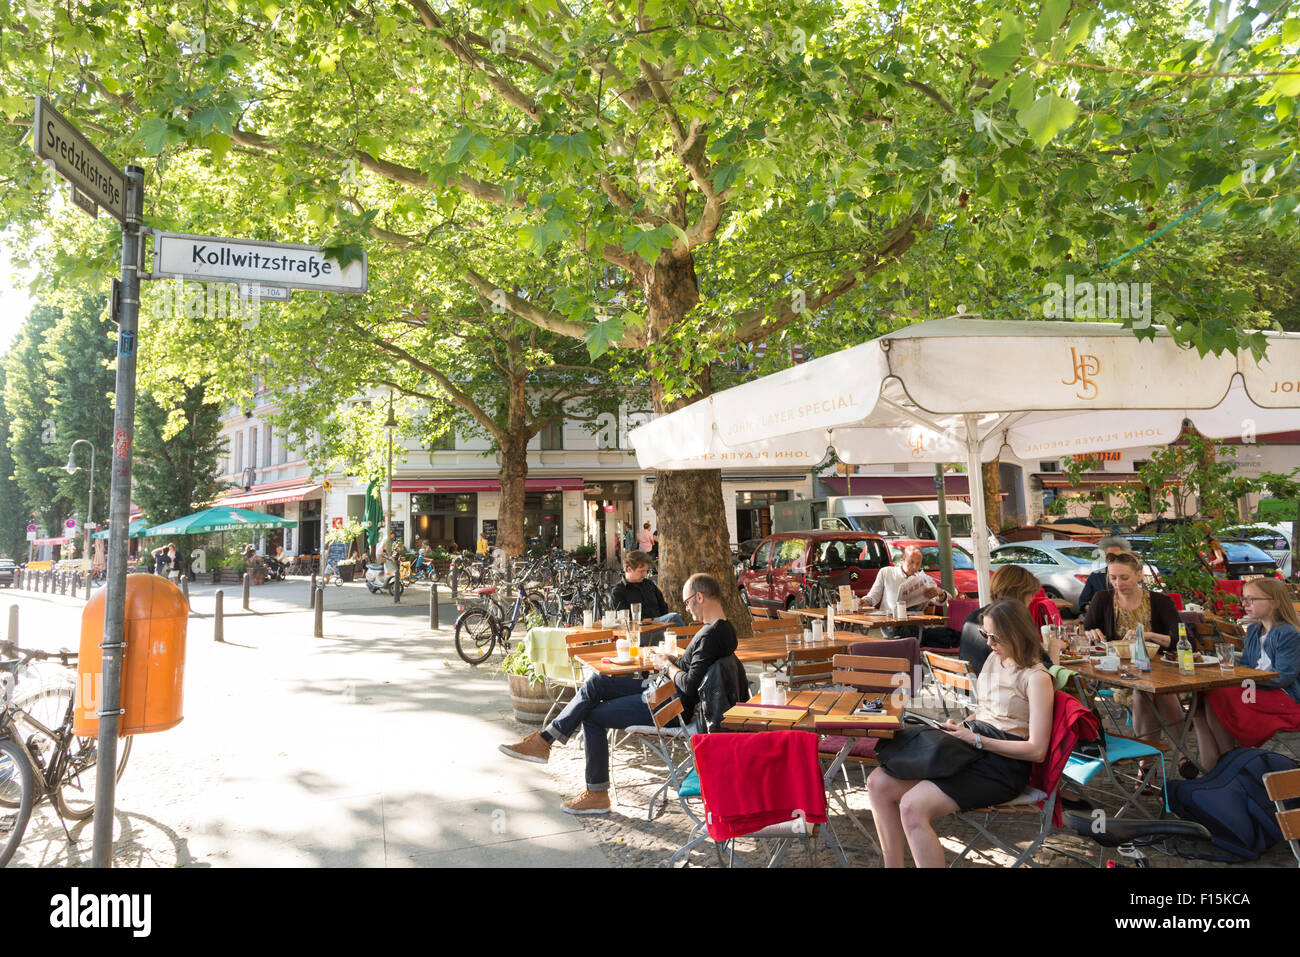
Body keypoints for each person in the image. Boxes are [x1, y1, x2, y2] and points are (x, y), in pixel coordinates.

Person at [498, 573, 736, 814]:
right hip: (663, 693)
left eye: (686, 602)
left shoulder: (709, 635)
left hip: (667, 705)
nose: (686, 608)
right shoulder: (722, 630)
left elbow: (690, 683)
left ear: (699, 597)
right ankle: (545, 740)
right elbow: (692, 669)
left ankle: (597, 794)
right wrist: (669, 659)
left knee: (592, 716)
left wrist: (666, 665)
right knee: (597, 682)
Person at [867, 599, 1054, 867]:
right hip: (974, 747)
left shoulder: (1036, 677)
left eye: (994, 637)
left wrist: (977, 739)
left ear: (1016, 633)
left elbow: (1037, 750)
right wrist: (963, 726)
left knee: (912, 807)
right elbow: (986, 710)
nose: (989, 643)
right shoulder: (995, 659)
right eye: (985, 635)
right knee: (878, 783)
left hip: (1003, 766)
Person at [1083, 550, 1185, 760]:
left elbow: (1179, 639)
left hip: (1160, 670)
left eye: (1124, 577)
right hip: (1120, 674)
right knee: (1145, 690)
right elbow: (1088, 629)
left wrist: (1147, 635)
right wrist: (1091, 633)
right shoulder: (1102, 599)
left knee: (1157, 690)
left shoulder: (1160, 601)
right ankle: (1177, 758)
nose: (1118, 583)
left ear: (1139, 575)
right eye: (1113, 578)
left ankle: (1155, 764)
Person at [1192, 578, 1300, 771]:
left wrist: (1245, 681)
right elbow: (1249, 665)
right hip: (1257, 690)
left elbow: (1284, 676)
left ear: (1274, 602)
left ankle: (1231, 763)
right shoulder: (1254, 630)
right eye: (1244, 599)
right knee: (1205, 695)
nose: (1244, 604)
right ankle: (1219, 766)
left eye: (1251, 599)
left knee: (1221, 694)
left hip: (1285, 697)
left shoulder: (1288, 633)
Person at [959, 564, 1064, 675]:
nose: (1032, 598)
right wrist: (1054, 648)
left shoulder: (975, 615)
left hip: (968, 687)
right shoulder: (1013, 622)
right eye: (1031, 593)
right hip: (996, 689)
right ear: (1020, 593)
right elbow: (1047, 674)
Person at [866, 545, 951, 612]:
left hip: (914, 622)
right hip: (890, 622)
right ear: (903, 558)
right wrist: (864, 601)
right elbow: (873, 596)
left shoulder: (925, 579)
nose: (914, 567)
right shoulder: (886, 572)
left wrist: (940, 593)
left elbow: (944, 599)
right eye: (911, 562)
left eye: (918, 563)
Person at [609, 551, 685, 625]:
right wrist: (652, 620)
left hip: (660, 627)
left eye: (646, 571)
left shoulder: (649, 585)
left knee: (674, 619)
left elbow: (664, 608)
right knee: (673, 617)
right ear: (629, 569)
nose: (645, 574)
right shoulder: (618, 592)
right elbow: (625, 620)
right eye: (641, 571)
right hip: (638, 631)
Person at [1077, 535, 1130, 614]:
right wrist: (1093, 609)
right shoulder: (1095, 576)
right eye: (1109, 555)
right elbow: (1083, 602)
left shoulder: (1131, 576)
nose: (1112, 558)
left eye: (1117, 555)